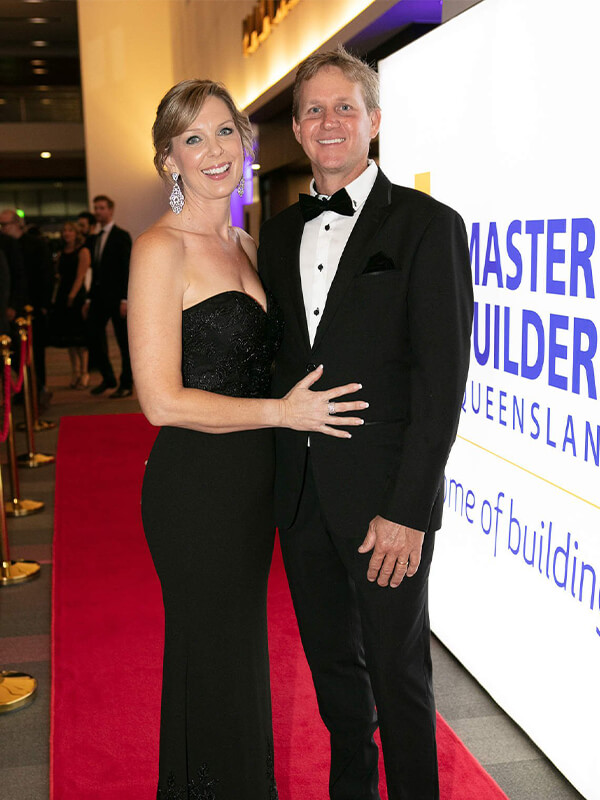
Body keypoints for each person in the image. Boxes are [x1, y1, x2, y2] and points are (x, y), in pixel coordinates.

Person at [128, 78, 367, 799]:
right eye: (192, 138)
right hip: (194, 488)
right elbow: (159, 401)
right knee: (219, 660)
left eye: (225, 131)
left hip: (253, 486)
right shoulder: (158, 249)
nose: (213, 150)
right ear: (168, 160)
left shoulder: (246, 243)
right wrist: (279, 415)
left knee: (235, 660)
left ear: (246, 142)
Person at [257, 47, 474, 800]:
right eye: (313, 109)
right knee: (335, 678)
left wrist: (409, 513)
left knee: (399, 676)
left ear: (373, 121)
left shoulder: (427, 227)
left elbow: (441, 384)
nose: (329, 122)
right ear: (294, 128)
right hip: (303, 498)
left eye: (344, 107)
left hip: (386, 502)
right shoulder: (278, 235)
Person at [0, 209, 54, 407]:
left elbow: (44, 277)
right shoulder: (6, 245)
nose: (4, 228)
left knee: (34, 354)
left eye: (6, 224)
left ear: (18, 223)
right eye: (1, 225)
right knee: (16, 354)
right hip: (13, 310)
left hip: (32, 309)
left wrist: (44, 306)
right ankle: (24, 392)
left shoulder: (35, 244)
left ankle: (38, 392)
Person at [85, 195, 133, 397]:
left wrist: (125, 299)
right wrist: (88, 298)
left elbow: (127, 268)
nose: (98, 212)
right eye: (96, 208)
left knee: (123, 342)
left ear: (111, 211)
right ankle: (108, 378)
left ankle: (126, 384)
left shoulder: (121, 236)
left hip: (117, 298)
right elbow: (93, 270)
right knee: (93, 336)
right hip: (98, 298)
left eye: (102, 208)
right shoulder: (93, 238)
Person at [51, 221, 90, 388]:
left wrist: (72, 295)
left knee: (80, 338)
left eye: (70, 231)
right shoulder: (61, 253)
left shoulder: (83, 251)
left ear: (76, 233)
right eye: (64, 231)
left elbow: (80, 276)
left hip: (76, 296)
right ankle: (75, 372)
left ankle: (84, 372)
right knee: (69, 340)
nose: (66, 234)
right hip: (63, 295)